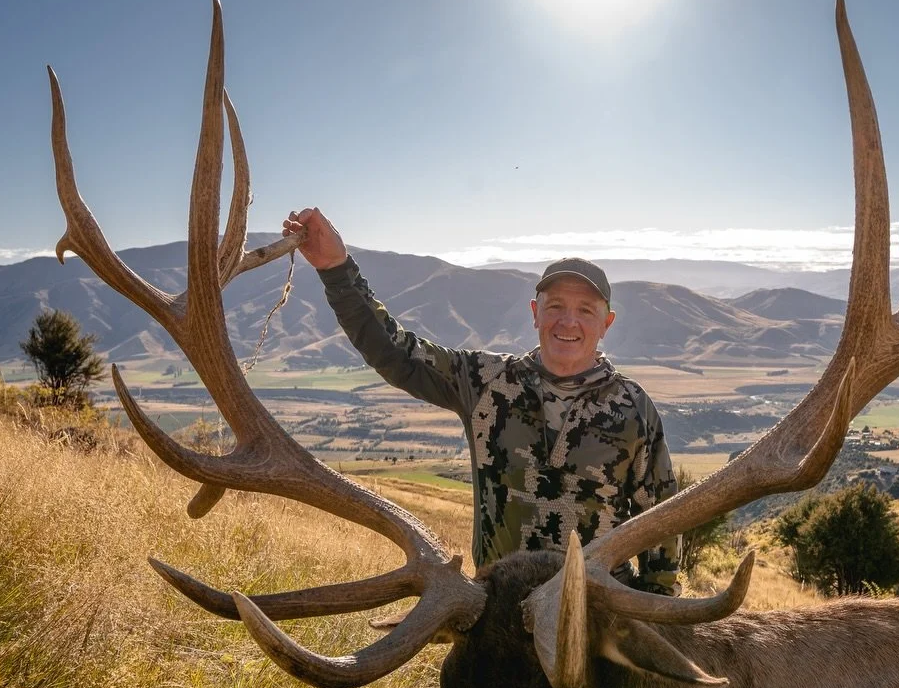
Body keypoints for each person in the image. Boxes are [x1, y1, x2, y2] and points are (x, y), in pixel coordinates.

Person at [283, 208, 679, 595]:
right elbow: (396, 350)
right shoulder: (486, 382)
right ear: (535, 314)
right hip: (501, 606)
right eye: (555, 306)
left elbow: (659, 522)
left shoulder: (634, 408)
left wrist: (654, 619)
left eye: (585, 311)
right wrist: (336, 269)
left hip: (597, 612)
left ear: (606, 324)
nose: (568, 322)